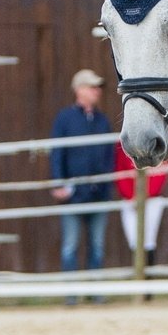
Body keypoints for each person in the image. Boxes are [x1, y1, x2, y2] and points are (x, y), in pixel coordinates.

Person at [51, 69, 116, 288]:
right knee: (70, 244)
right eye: (92, 87)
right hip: (74, 194)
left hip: (98, 193)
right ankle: (71, 293)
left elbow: (109, 154)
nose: (97, 91)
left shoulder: (102, 121)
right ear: (79, 89)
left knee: (97, 245)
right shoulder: (65, 119)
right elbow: (57, 153)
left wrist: (106, 181)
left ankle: (95, 291)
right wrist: (59, 183)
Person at [114, 143, 168, 263]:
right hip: (130, 199)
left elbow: (160, 172)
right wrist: (131, 196)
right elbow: (120, 171)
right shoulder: (123, 144)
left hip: (151, 198)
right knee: (133, 238)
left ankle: (149, 270)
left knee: (149, 239)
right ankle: (138, 271)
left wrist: (145, 195)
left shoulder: (156, 143)